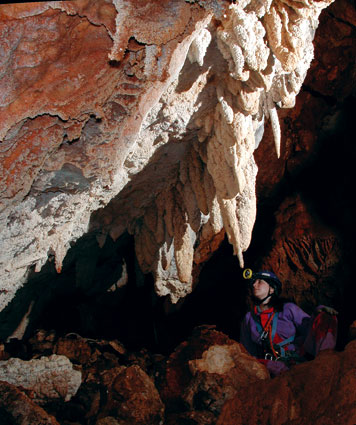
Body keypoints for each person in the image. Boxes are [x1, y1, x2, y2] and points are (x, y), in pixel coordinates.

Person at [240, 269, 338, 377]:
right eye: (253, 282)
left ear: (272, 289)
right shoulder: (249, 318)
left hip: (298, 357)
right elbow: (247, 351)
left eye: (260, 281)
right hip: (271, 366)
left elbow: (309, 326)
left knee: (325, 316)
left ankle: (324, 361)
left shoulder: (287, 309)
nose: (254, 284)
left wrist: (320, 312)